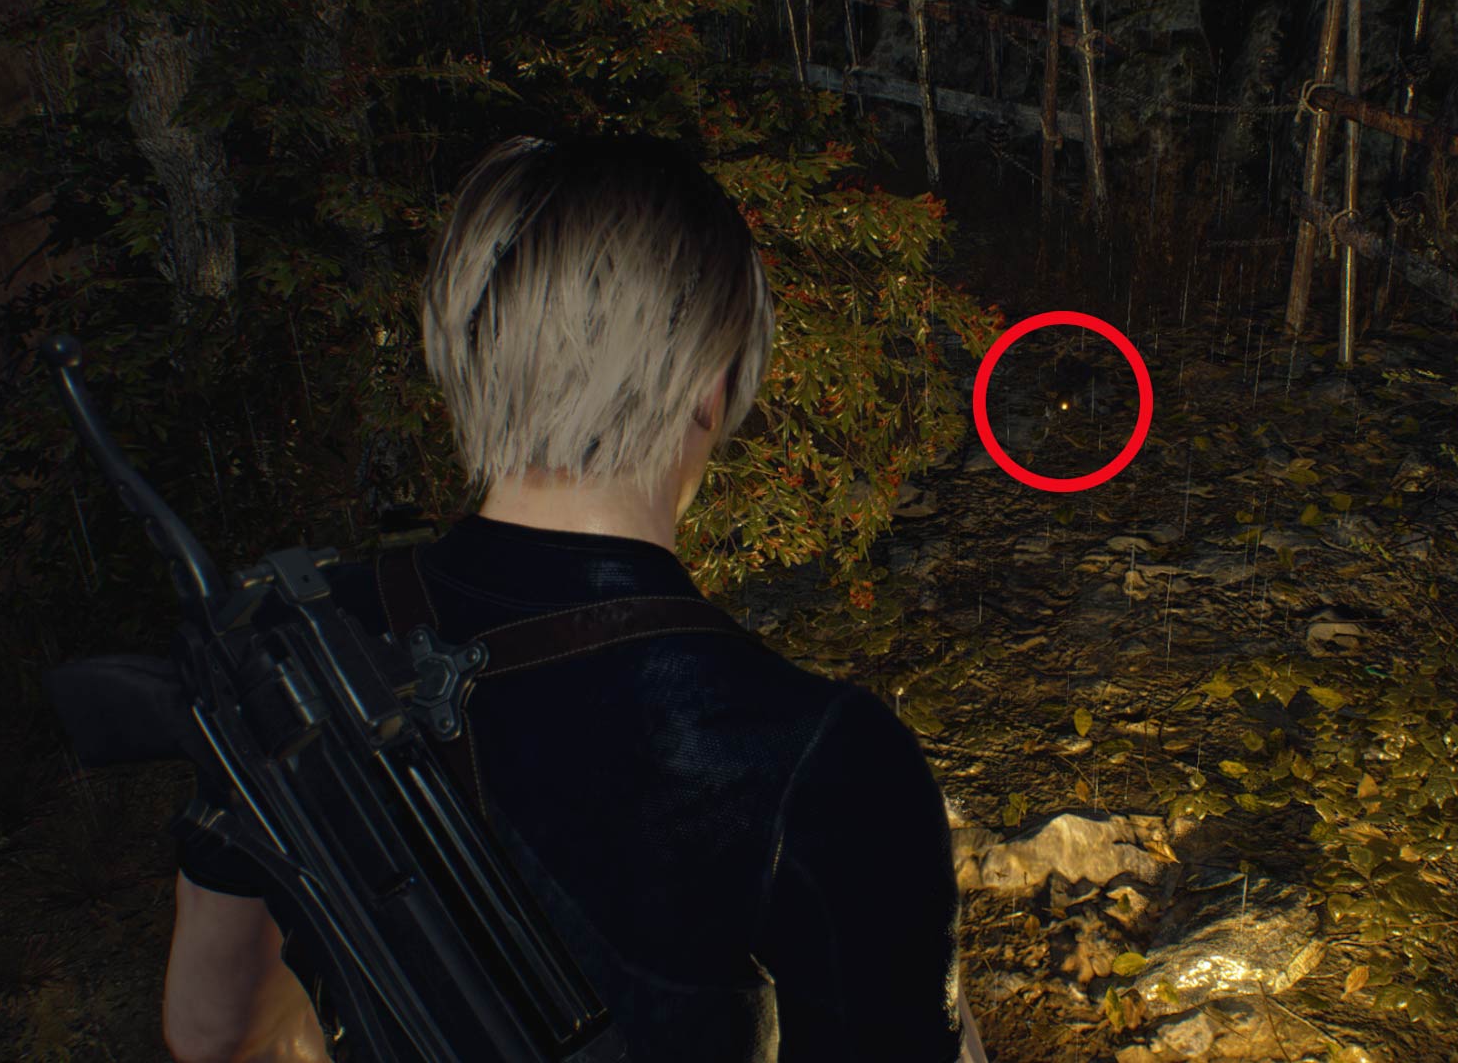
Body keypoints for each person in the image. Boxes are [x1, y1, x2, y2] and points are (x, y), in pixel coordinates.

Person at [161, 134, 984, 1062]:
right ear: (710, 381)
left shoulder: (296, 640)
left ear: (470, 345)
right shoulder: (826, 756)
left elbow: (216, 1030)